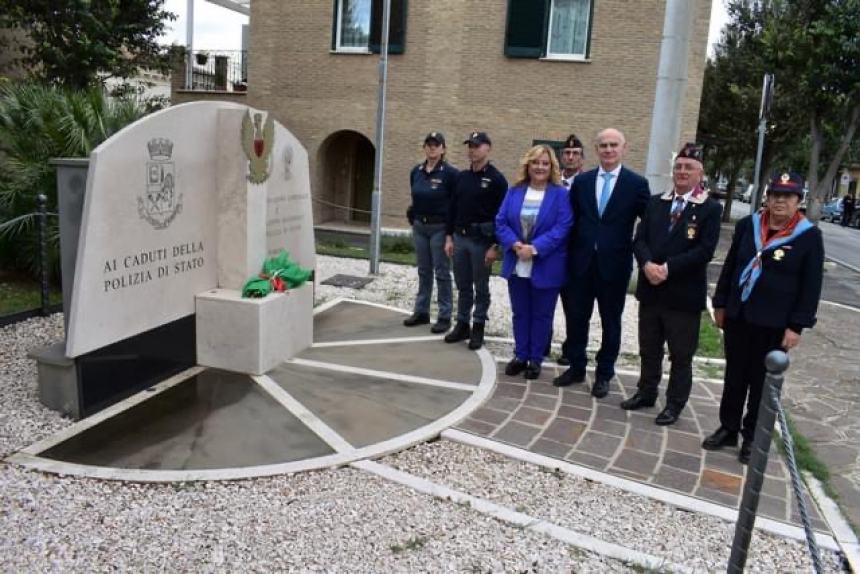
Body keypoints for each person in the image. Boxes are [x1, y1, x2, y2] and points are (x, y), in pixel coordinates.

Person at [702, 172, 824, 464]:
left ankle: (753, 437)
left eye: (788, 196)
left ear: (798, 201)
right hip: (739, 316)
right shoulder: (749, 226)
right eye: (775, 195)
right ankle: (728, 428)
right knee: (734, 378)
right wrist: (720, 304)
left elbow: (811, 286)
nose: (780, 201)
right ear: (767, 197)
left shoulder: (808, 236)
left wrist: (797, 325)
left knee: (761, 384)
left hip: (775, 324)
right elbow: (730, 267)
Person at [622, 143, 722, 425]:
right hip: (651, 290)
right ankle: (646, 392)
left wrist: (667, 268)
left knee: (680, 355)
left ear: (700, 173)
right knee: (649, 348)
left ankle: (674, 404)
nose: (681, 171)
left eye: (688, 167)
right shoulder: (656, 202)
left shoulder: (710, 208)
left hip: (683, 295)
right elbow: (639, 239)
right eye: (678, 166)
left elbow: (705, 250)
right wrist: (647, 264)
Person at [553, 128, 650, 397]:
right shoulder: (582, 182)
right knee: (576, 318)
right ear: (596, 150)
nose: (608, 150)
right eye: (603, 145)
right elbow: (570, 222)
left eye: (613, 145)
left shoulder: (636, 184)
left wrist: (640, 251)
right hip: (581, 263)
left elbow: (649, 223)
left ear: (624, 148)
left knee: (611, 322)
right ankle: (576, 366)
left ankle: (604, 374)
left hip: (614, 266)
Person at [496, 145, 573, 379]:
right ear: (527, 166)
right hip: (517, 261)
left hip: (545, 263)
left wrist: (536, 248)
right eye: (535, 163)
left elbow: (564, 227)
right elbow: (500, 222)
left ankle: (535, 359)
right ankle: (520, 355)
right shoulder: (515, 191)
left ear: (552, 167)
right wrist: (515, 244)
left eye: (545, 163)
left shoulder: (561, 194)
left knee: (542, 315)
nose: (540, 167)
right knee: (520, 313)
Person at [444, 131, 509, 350]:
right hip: (460, 239)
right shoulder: (462, 177)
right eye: (470, 145)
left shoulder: (497, 180)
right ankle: (462, 323)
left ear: (488, 148)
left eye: (477, 146)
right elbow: (452, 209)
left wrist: (495, 246)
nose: (472, 150)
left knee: (481, 287)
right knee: (462, 285)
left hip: (482, 242)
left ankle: (478, 325)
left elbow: (502, 216)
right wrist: (448, 237)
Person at [403, 132, 459, 333]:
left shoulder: (451, 174)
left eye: (436, 145)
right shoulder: (416, 172)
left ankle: (444, 315)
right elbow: (415, 197)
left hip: (440, 228)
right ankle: (422, 311)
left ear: (443, 149)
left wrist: (450, 234)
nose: (432, 148)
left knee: (442, 272)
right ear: (424, 148)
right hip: (420, 227)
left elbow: (455, 204)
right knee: (423, 270)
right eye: (429, 144)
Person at [553, 134, 585, 365]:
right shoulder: (552, 182)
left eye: (575, 154)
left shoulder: (587, 183)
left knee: (574, 307)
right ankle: (541, 344)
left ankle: (571, 350)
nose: (570, 157)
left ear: (582, 159)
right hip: (550, 252)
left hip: (575, 253)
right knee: (544, 302)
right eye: (567, 153)